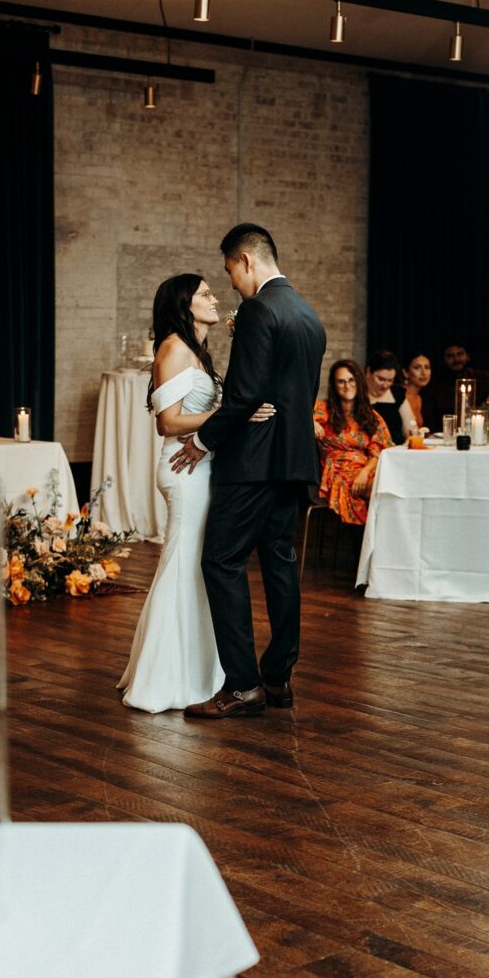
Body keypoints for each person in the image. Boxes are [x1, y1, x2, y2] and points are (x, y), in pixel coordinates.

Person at [170, 224, 326, 718]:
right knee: (280, 565)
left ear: (245, 260)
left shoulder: (261, 309)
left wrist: (200, 440)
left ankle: (242, 685)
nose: (232, 285)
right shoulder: (308, 314)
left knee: (221, 560)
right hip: (293, 461)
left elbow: (244, 396)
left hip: (253, 462)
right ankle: (278, 677)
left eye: (229, 272)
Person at [117, 273, 275, 713]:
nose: (214, 299)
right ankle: (166, 675)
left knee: (195, 566)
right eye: (204, 294)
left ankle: (199, 668)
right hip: (183, 467)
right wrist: (230, 414)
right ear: (184, 304)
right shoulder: (173, 347)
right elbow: (166, 422)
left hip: (202, 465)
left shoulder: (199, 354)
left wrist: (233, 416)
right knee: (185, 564)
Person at [314, 359, 390, 528]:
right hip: (338, 472)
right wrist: (310, 423)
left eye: (351, 380)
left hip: (366, 471)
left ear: (358, 382)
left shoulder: (371, 415)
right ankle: (372, 547)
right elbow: (296, 418)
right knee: (382, 489)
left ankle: (379, 544)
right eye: (341, 381)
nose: (347, 385)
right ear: (334, 386)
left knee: (390, 483)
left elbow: (379, 449)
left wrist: (364, 472)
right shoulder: (323, 409)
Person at [425, 342, 489, 431]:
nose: (456, 359)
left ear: (468, 356)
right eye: (450, 356)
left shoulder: (482, 378)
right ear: (444, 359)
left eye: (460, 354)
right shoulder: (435, 383)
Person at [365, 349, 416, 445]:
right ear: (368, 372)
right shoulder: (358, 394)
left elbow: (410, 430)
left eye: (390, 380)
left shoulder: (397, 394)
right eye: (381, 379)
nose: (385, 385)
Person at [402, 349, 432, 429]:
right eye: (417, 368)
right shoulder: (401, 396)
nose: (423, 372)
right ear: (405, 372)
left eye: (427, 367)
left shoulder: (418, 398)